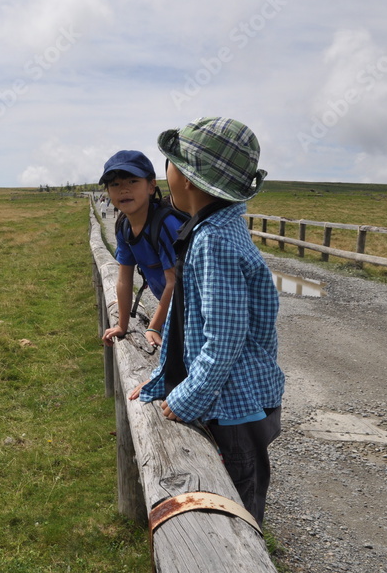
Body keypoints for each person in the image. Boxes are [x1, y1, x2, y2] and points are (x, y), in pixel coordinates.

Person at [130, 116, 285, 527]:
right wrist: (160, 383)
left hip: (235, 409)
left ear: (187, 178)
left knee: (235, 510)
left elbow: (224, 339)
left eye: (170, 162)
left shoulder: (214, 240)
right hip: (231, 402)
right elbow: (189, 328)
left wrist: (183, 400)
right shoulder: (216, 228)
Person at [98, 150, 185, 349]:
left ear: (151, 186)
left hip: (195, 311)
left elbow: (175, 282)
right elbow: (124, 278)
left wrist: (153, 327)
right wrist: (122, 325)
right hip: (175, 311)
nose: (123, 190)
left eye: (132, 182)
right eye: (115, 184)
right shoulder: (124, 226)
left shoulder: (166, 225)